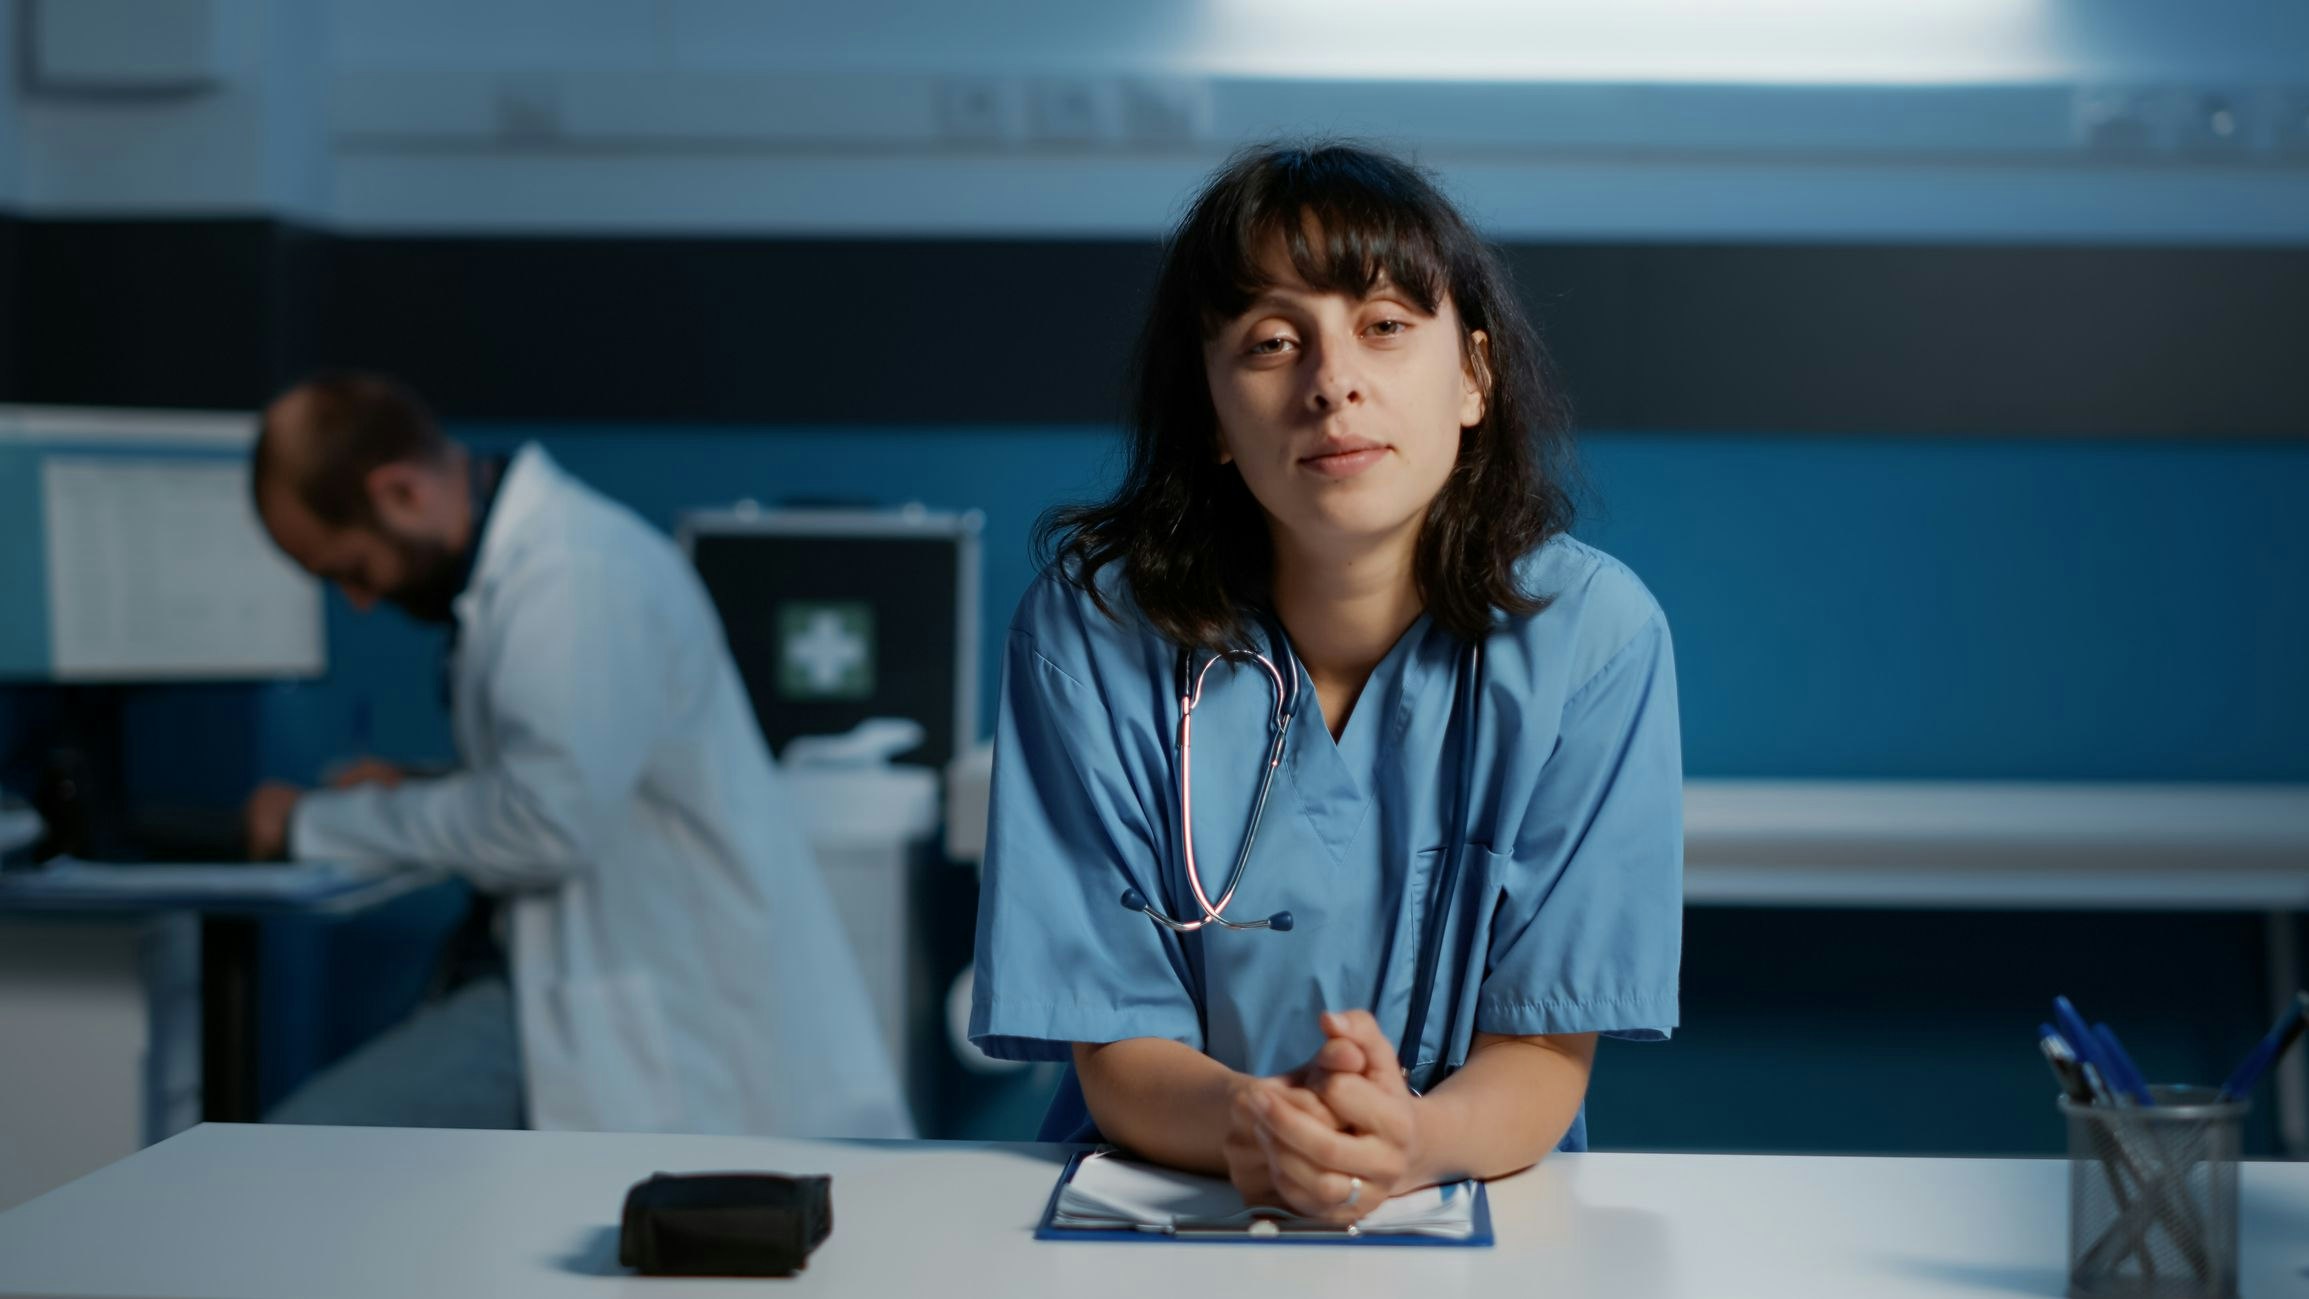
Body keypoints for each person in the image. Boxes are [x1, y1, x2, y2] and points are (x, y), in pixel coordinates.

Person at [969, 143, 1682, 1223]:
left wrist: (1405, 1143)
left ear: (1473, 378)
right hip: (1162, 1188)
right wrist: (1263, 1124)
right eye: (1270, 341)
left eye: (1384, 325)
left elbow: (1541, 1050)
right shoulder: (1092, 635)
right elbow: (1117, 1048)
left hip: (1468, 1187)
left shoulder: (1593, 640)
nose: (1331, 382)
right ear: (1211, 416)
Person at [241, 373, 911, 1139]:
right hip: (555, 978)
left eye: (352, 571)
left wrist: (315, 824)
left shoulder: (573, 575)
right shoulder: (532, 567)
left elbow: (545, 823)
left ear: (400, 492)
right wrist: (425, 784)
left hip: (637, 1009)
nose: (360, 601)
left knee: (301, 1152)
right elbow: (580, 772)